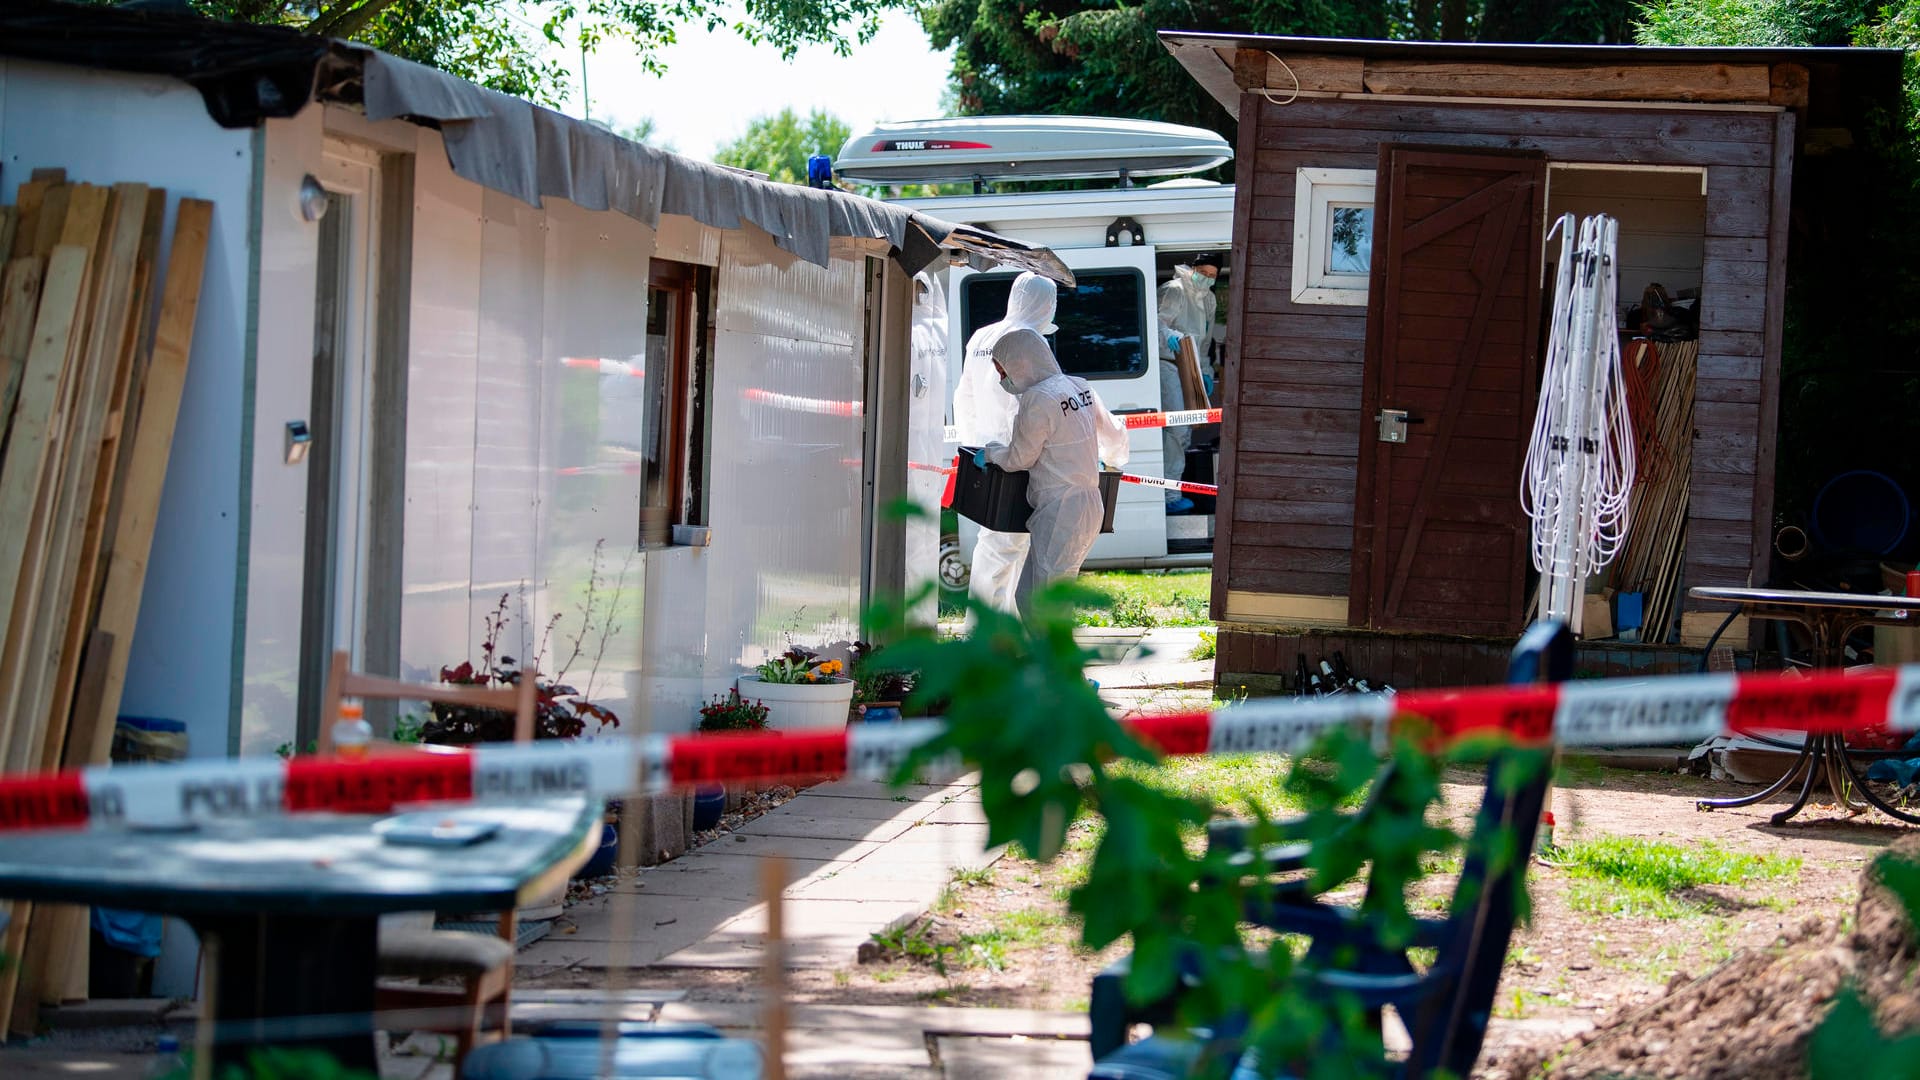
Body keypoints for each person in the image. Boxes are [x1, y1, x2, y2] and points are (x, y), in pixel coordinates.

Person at [974, 328, 1130, 618]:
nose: (1001, 379)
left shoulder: (1037, 399)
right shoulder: (1078, 386)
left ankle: (1060, 664)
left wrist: (992, 452)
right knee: (1028, 598)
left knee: (1046, 606)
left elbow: (1019, 457)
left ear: (1021, 362)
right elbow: (1115, 437)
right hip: (1088, 505)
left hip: (1060, 512)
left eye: (1002, 370)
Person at [953, 272, 1058, 615]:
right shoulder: (1028, 340)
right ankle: (983, 636)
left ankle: (1002, 632)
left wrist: (972, 450)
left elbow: (964, 395)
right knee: (1006, 545)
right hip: (1018, 456)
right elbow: (1038, 400)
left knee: (1003, 543)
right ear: (1045, 303)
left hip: (986, 453)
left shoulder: (982, 335)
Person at [1156, 254, 1222, 514]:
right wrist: (1169, 335)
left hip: (1190, 366)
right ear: (1192, 269)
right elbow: (1155, 322)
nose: (1207, 278)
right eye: (1203, 272)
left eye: (1213, 275)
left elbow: (1204, 341)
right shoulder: (1174, 290)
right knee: (1177, 430)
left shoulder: (1209, 299)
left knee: (1185, 433)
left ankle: (1172, 492)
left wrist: (1205, 371)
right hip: (1167, 362)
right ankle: (1169, 497)